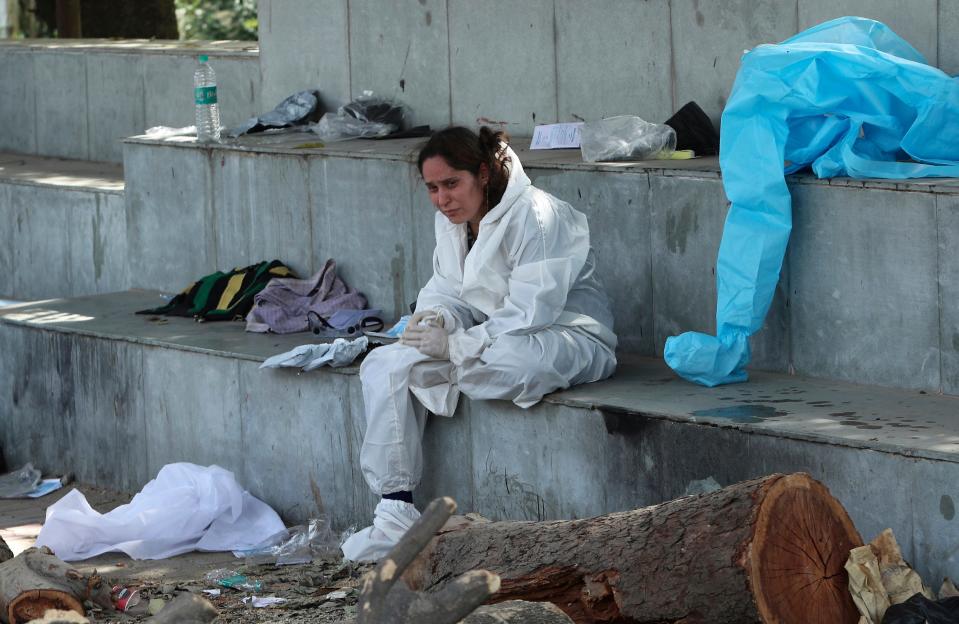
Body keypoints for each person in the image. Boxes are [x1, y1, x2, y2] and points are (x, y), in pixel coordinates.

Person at [340, 126, 618, 561]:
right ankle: (395, 511)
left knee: (510, 364)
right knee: (384, 365)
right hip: (483, 341)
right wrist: (435, 318)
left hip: (566, 336)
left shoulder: (538, 214)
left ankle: (455, 366)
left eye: (452, 184)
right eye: (432, 188)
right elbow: (450, 289)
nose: (442, 198)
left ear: (483, 174)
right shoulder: (451, 222)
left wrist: (452, 346)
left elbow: (532, 312)